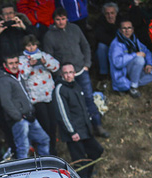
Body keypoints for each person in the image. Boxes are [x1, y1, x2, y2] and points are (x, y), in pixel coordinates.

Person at [44, 7, 110, 138]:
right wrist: (59, 73)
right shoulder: (49, 36)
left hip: (80, 70)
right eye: (58, 19)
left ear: (67, 18)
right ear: (54, 20)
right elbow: (48, 58)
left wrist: (87, 64)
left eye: (63, 19)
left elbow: (85, 46)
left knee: (88, 98)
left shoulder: (75, 29)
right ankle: (78, 131)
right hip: (64, 75)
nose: (61, 22)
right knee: (71, 104)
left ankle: (97, 126)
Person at [53, 62, 104, 178]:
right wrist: (72, 132)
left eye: (70, 72)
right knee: (79, 160)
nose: (68, 75)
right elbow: (62, 113)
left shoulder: (76, 85)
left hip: (85, 128)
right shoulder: (60, 89)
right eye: (65, 73)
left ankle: (88, 175)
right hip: (73, 132)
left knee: (97, 150)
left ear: (74, 73)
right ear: (61, 74)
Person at [0, 54, 50, 159]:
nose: (14, 66)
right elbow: (6, 102)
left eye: (16, 63)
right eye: (11, 63)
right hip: (19, 121)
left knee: (44, 139)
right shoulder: (3, 80)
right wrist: (18, 117)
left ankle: (44, 165)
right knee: (23, 148)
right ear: (5, 65)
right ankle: (24, 172)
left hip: (29, 116)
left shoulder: (18, 76)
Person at [19, 35, 60, 155]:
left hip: (49, 95)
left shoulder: (44, 55)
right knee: (45, 125)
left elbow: (56, 66)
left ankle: (53, 150)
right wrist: (30, 65)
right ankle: (47, 152)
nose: (31, 48)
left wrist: (44, 61)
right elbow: (22, 75)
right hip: (36, 98)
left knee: (53, 125)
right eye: (28, 45)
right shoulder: (22, 60)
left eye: (33, 45)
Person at [109, 19, 152, 98]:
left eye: (129, 28)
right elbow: (117, 63)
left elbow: (146, 52)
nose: (127, 30)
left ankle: (132, 83)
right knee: (139, 59)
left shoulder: (134, 40)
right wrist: (135, 55)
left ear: (133, 30)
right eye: (124, 28)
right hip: (123, 74)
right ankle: (133, 87)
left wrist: (149, 64)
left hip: (135, 71)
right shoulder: (116, 44)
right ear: (120, 30)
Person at [95, 2, 120, 82]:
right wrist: (113, 44)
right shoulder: (100, 21)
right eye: (107, 14)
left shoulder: (121, 20)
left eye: (112, 13)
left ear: (116, 13)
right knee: (101, 47)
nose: (110, 16)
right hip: (107, 45)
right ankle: (103, 74)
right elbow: (100, 36)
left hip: (120, 46)